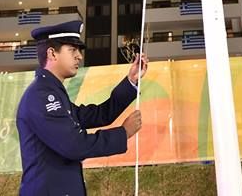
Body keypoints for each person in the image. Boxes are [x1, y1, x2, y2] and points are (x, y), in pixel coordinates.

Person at [16, 20, 147, 196]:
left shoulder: (52, 93)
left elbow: (99, 115)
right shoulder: (43, 96)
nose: (79, 56)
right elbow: (74, 145)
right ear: (52, 53)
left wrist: (131, 81)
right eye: (72, 50)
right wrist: (123, 133)